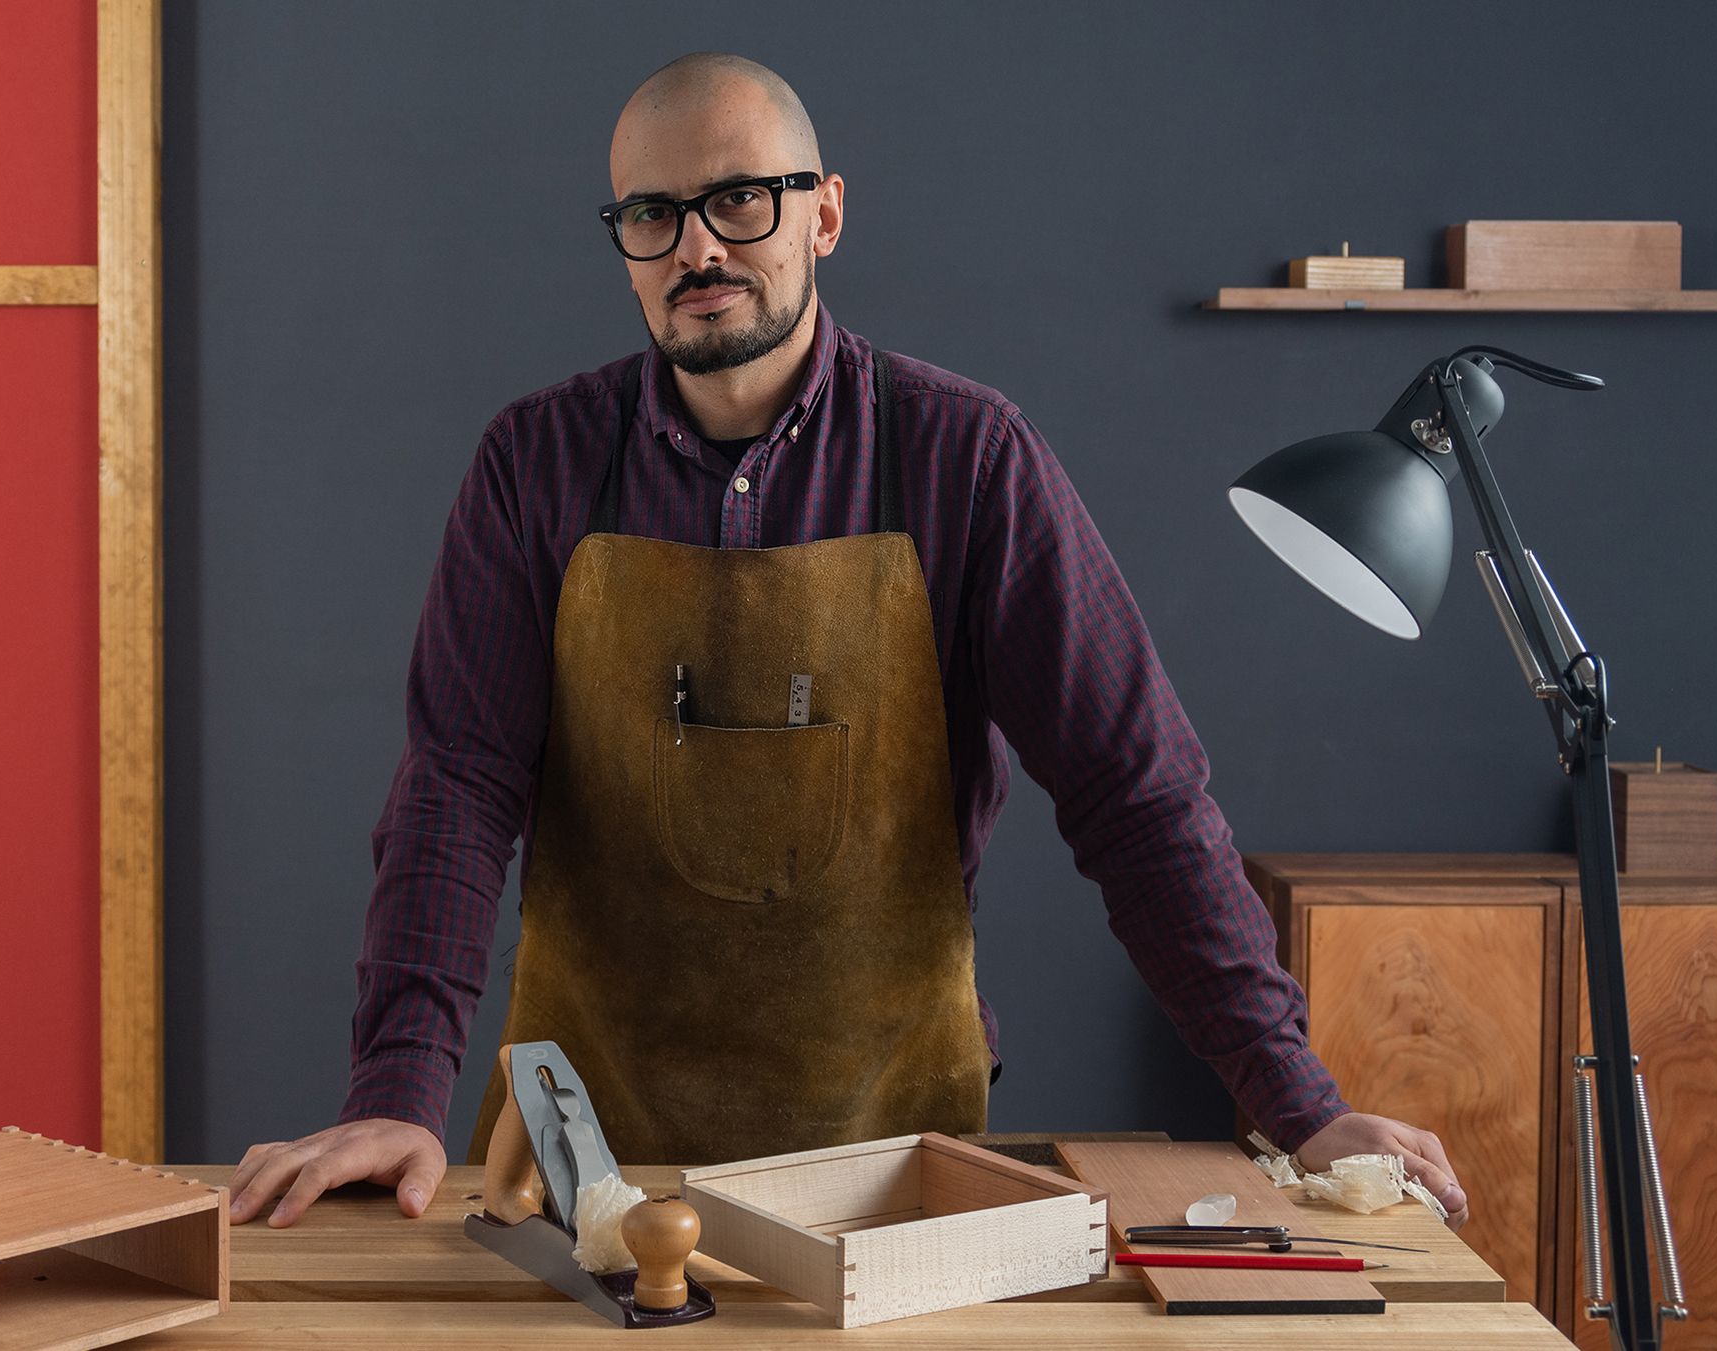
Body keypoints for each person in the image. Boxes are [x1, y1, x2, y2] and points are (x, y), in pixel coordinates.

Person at [228, 51, 1470, 1230]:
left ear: (823, 215)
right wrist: (396, 1092)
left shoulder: (971, 460)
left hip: (896, 1159)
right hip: (576, 1160)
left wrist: (1297, 1102)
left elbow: (1135, 794)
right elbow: (454, 791)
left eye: (740, 200)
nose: (698, 246)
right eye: (651, 215)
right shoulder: (533, 465)